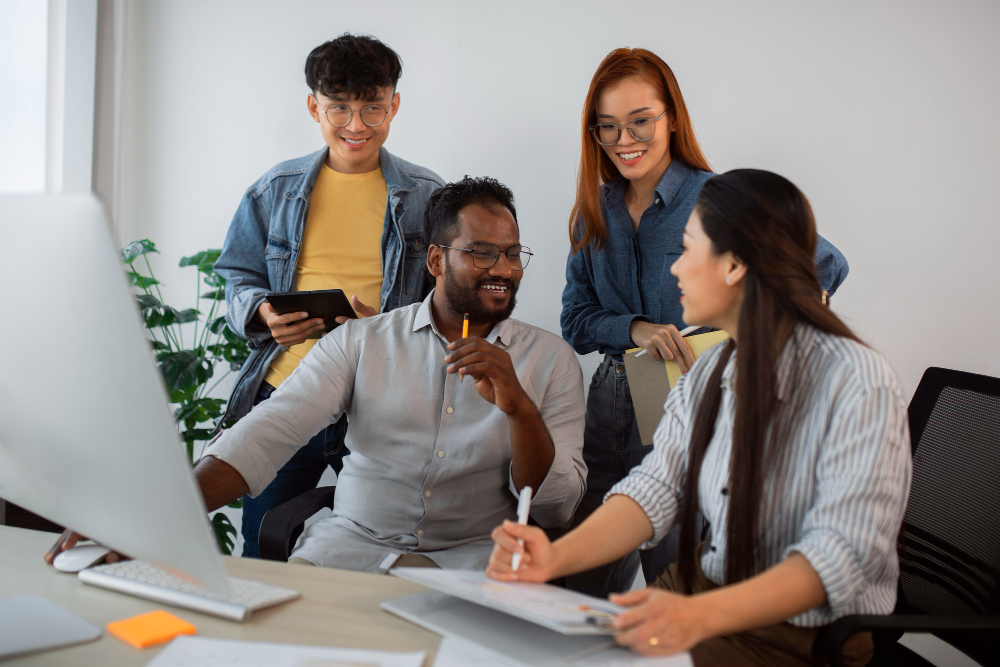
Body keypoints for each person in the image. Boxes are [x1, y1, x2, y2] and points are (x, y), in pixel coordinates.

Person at [488, 169, 911, 666]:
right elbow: (656, 489)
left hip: (800, 636)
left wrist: (700, 616)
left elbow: (838, 558)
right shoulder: (711, 367)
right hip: (703, 592)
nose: (676, 270)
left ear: (733, 265)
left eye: (688, 250)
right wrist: (551, 559)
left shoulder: (858, 381)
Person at [560, 48, 851, 597]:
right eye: (608, 127)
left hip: (685, 392)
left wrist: (757, 338)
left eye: (641, 121)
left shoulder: (715, 199)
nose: (625, 140)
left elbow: (825, 265)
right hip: (609, 402)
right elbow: (575, 320)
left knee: (672, 580)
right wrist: (637, 329)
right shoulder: (592, 209)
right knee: (583, 584)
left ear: (672, 117)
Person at [194, 176, 585, 570]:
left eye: (512, 254)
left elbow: (557, 507)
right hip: (350, 551)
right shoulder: (360, 341)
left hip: (473, 564)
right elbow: (268, 432)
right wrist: (170, 510)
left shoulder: (553, 361)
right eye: (482, 253)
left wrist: (521, 410)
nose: (504, 269)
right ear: (436, 260)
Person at [213, 34, 445, 558]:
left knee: (388, 546)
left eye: (372, 109)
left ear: (395, 106)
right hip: (286, 390)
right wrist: (262, 312)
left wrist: (388, 324)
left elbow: (449, 299)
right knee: (264, 546)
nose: (356, 125)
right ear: (315, 106)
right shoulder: (276, 188)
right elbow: (235, 275)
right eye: (339, 108)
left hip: (382, 397)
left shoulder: (428, 196)